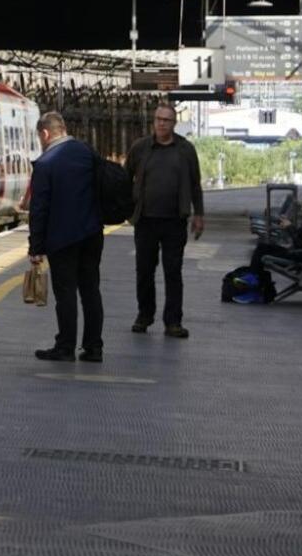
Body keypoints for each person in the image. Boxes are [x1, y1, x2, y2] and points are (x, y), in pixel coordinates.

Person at [28, 112, 105, 363]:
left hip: (62, 239)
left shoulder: (45, 163)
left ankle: (65, 346)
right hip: (92, 234)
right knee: (91, 290)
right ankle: (94, 348)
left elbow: (39, 209)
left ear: (45, 134)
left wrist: (36, 247)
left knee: (66, 293)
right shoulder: (87, 152)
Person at [124, 103, 204, 339]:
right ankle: (144, 315)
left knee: (173, 272)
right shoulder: (140, 148)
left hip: (174, 221)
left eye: (166, 120)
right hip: (145, 221)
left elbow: (195, 184)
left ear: (174, 123)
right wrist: (126, 208)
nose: (161, 123)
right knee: (144, 271)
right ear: (154, 121)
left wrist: (198, 214)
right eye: (158, 119)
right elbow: (124, 177)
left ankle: (173, 322)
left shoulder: (185, 149)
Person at [251, 190, 302, 271]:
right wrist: (289, 225)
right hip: (296, 254)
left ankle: (253, 278)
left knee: (261, 253)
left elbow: (299, 243)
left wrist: (289, 227)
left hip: (297, 257)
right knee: (262, 247)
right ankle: (254, 278)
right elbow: (300, 236)